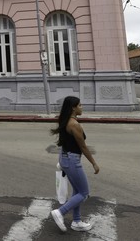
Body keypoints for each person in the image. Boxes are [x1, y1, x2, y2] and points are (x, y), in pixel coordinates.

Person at [49, 96, 99, 233]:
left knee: (77, 191)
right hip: (72, 160)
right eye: (80, 105)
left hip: (65, 158)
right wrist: (94, 163)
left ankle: (76, 221)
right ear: (73, 108)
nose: (82, 107)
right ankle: (60, 212)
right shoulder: (74, 125)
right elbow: (83, 147)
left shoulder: (66, 121)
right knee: (84, 193)